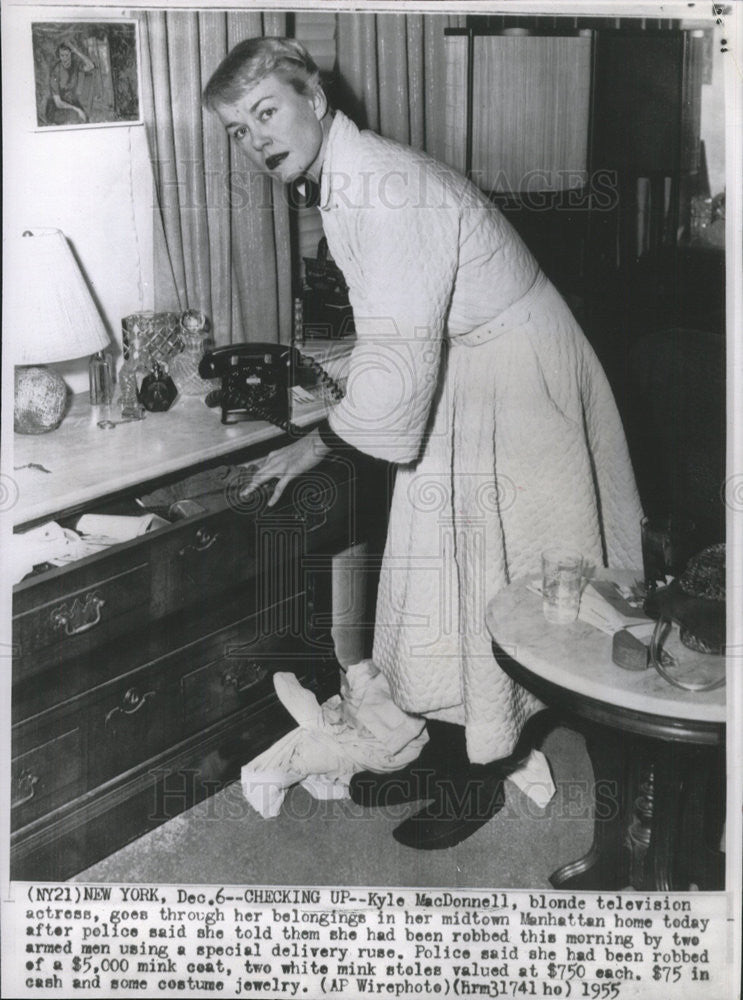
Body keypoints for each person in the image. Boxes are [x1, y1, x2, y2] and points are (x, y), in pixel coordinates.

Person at [202, 37, 644, 851]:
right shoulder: (341, 176)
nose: (256, 138)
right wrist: (334, 414)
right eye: (237, 129)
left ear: (316, 99)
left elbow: (400, 357)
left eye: (266, 111)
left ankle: (480, 767)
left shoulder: (383, 188)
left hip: (516, 370)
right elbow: (391, 329)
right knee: (436, 582)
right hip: (470, 361)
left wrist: (317, 444)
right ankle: (447, 745)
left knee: (500, 584)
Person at [45, 40, 94, 125]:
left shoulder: (75, 65)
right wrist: (77, 110)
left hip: (72, 102)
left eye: (67, 55)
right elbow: (58, 103)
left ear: (71, 54)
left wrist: (76, 51)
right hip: (57, 107)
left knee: (86, 120)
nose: (65, 59)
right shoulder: (55, 72)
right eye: (62, 55)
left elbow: (91, 66)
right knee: (72, 120)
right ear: (59, 56)